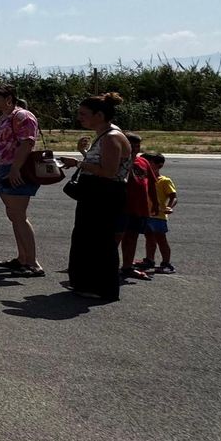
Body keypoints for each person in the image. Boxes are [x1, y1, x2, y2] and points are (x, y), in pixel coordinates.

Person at [58, 92, 132, 299]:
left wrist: (78, 163)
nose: (80, 117)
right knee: (86, 238)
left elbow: (109, 171)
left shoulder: (112, 137)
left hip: (105, 194)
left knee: (100, 241)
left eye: (84, 114)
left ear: (99, 115)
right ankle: (85, 283)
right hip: (96, 193)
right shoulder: (104, 134)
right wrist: (82, 155)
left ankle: (101, 287)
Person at [0, 83, 45, 275]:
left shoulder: (22, 116)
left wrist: (15, 169)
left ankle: (33, 263)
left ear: (9, 99)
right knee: (14, 216)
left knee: (19, 216)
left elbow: (27, 143)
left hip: (15, 169)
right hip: (4, 167)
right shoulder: (6, 116)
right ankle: (22, 258)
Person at [119, 133, 158, 282]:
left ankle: (127, 267)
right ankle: (106, 267)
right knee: (116, 237)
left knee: (132, 237)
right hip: (122, 207)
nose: (135, 148)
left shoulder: (143, 162)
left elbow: (152, 184)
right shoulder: (119, 161)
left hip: (140, 207)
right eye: (131, 145)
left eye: (137, 146)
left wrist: (155, 202)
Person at [139, 153, 177, 273]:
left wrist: (169, 207)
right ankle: (149, 259)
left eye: (147, 163)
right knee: (149, 238)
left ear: (159, 165)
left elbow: (173, 197)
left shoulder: (164, 181)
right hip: (146, 214)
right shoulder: (144, 180)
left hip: (159, 216)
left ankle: (166, 262)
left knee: (161, 239)